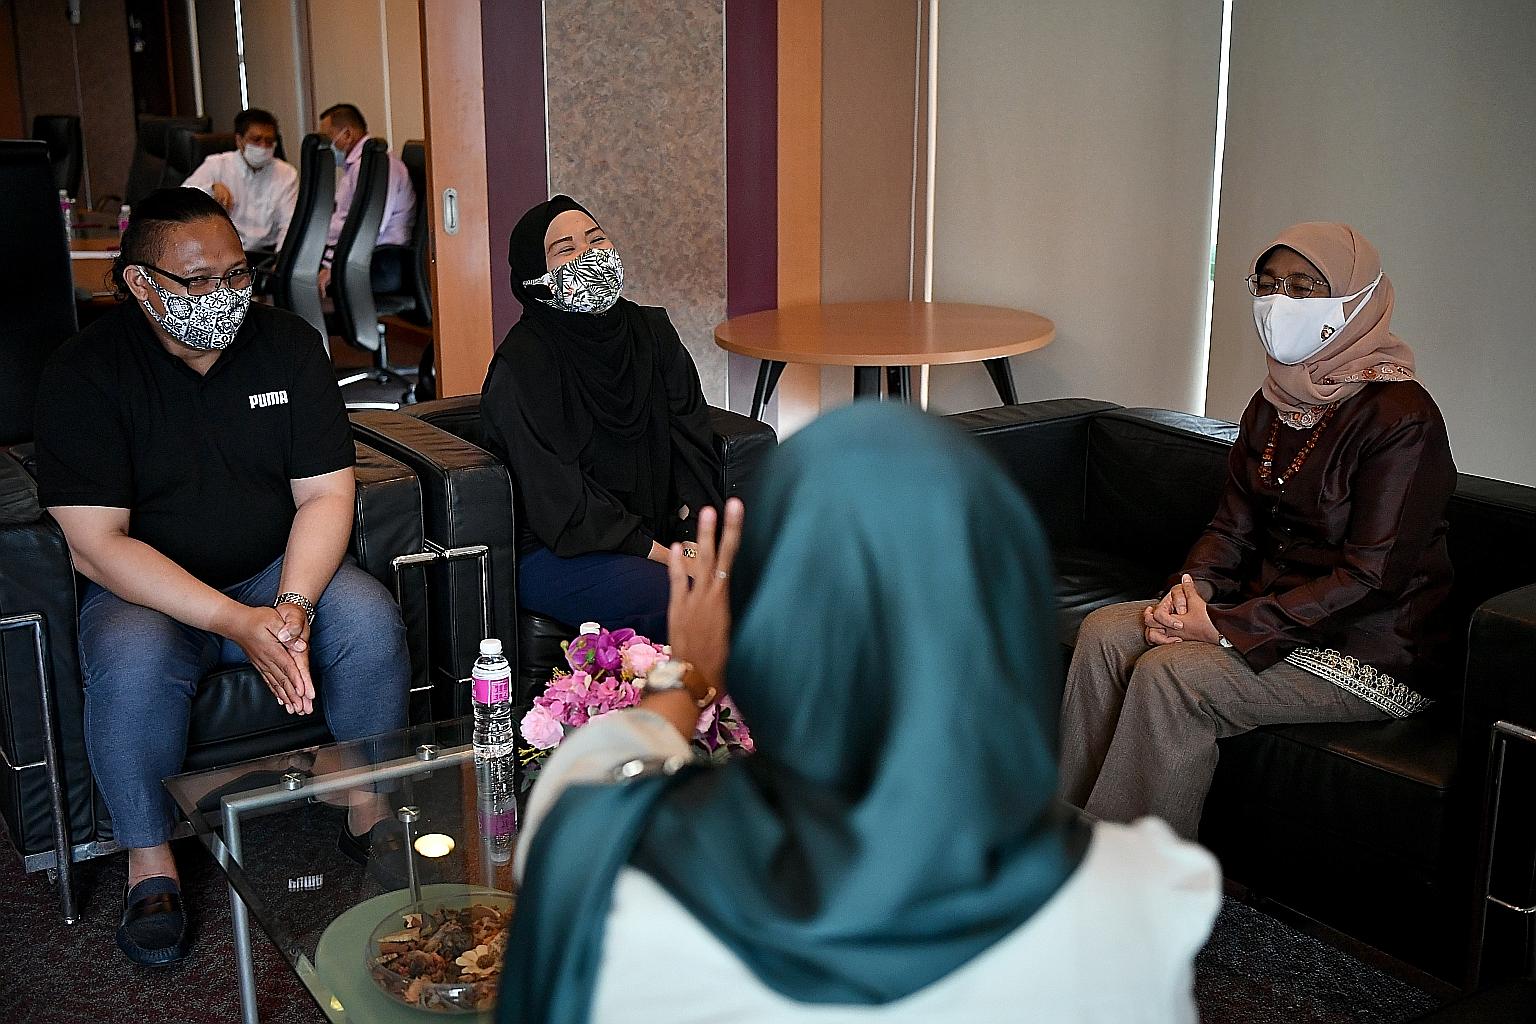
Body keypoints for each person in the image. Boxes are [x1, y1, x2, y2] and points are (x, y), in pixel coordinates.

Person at [500, 403, 1220, 1024]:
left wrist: (686, 676)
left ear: (771, 634)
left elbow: (596, 768)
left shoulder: (608, 854)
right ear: (1010, 618)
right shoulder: (1142, 904)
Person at [32, 188, 410, 967]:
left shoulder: (288, 346)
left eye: (237, 275)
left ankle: (366, 804)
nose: (223, 296)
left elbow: (325, 494)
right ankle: (150, 861)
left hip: (272, 571)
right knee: (132, 661)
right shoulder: (85, 371)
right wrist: (235, 622)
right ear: (141, 284)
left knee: (368, 619)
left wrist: (293, 604)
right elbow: (97, 545)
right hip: (149, 593)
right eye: (197, 281)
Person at [1059, 222, 1456, 840]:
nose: (1278, 302)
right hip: (1267, 617)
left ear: (1357, 299)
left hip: (1367, 653)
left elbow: (1372, 577)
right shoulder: (1274, 403)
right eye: (1267, 285)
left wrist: (1225, 629)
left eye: (1303, 287)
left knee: (1174, 676)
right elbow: (1232, 529)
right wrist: (1189, 594)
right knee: (1108, 631)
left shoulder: (1402, 418)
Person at [479, 195, 721, 641]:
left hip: (657, 533)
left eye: (596, 240)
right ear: (536, 277)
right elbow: (561, 501)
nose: (589, 255)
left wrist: (694, 536)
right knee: (679, 596)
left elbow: (694, 440)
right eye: (566, 249)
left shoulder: (652, 333)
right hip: (561, 548)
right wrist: (672, 558)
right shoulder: (524, 363)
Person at [316, 102, 415, 293]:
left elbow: (369, 227)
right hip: (358, 255)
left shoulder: (379, 166)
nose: (327, 146)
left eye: (328, 138)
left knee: (307, 285)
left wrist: (332, 267)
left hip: (382, 261)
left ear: (347, 134)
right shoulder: (356, 167)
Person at [181, 107, 298, 253]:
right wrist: (210, 189)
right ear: (239, 140)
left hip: (265, 254)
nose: (263, 146)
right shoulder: (217, 165)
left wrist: (282, 260)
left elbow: (289, 225)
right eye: (256, 140)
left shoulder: (286, 173)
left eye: (269, 141)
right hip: (223, 252)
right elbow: (181, 197)